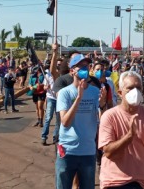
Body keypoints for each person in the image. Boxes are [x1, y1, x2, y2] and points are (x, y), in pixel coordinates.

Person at [98, 71, 144, 189]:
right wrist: (129, 136)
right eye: (130, 88)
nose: (135, 92)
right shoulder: (110, 116)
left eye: (138, 88)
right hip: (116, 182)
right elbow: (108, 152)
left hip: (141, 182)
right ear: (120, 92)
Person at [55, 53, 99, 189]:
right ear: (72, 70)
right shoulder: (65, 93)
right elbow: (65, 122)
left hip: (88, 151)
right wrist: (78, 98)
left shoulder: (95, 92)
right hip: (68, 151)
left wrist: (103, 105)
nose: (85, 68)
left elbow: (101, 119)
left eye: (86, 66)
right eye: (81, 66)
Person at [42, 44, 62, 145]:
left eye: (59, 65)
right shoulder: (49, 75)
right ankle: (44, 136)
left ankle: (55, 137)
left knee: (59, 120)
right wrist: (54, 52)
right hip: (51, 98)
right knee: (48, 117)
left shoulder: (63, 76)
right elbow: (44, 87)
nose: (57, 66)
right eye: (56, 64)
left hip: (60, 100)